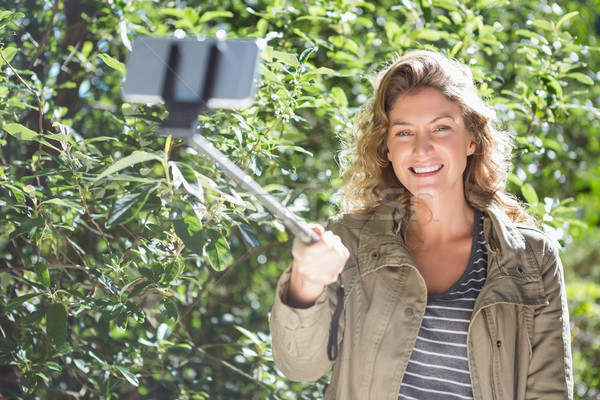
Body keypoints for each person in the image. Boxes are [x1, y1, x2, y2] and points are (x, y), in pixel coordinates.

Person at [269, 50, 573, 399]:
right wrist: (306, 281)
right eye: (403, 133)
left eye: (441, 128)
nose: (422, 148)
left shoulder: (531, 258)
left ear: (472, 138)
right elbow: (299, 366)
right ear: (386, 147)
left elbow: (549, 392)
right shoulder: (350, 241)